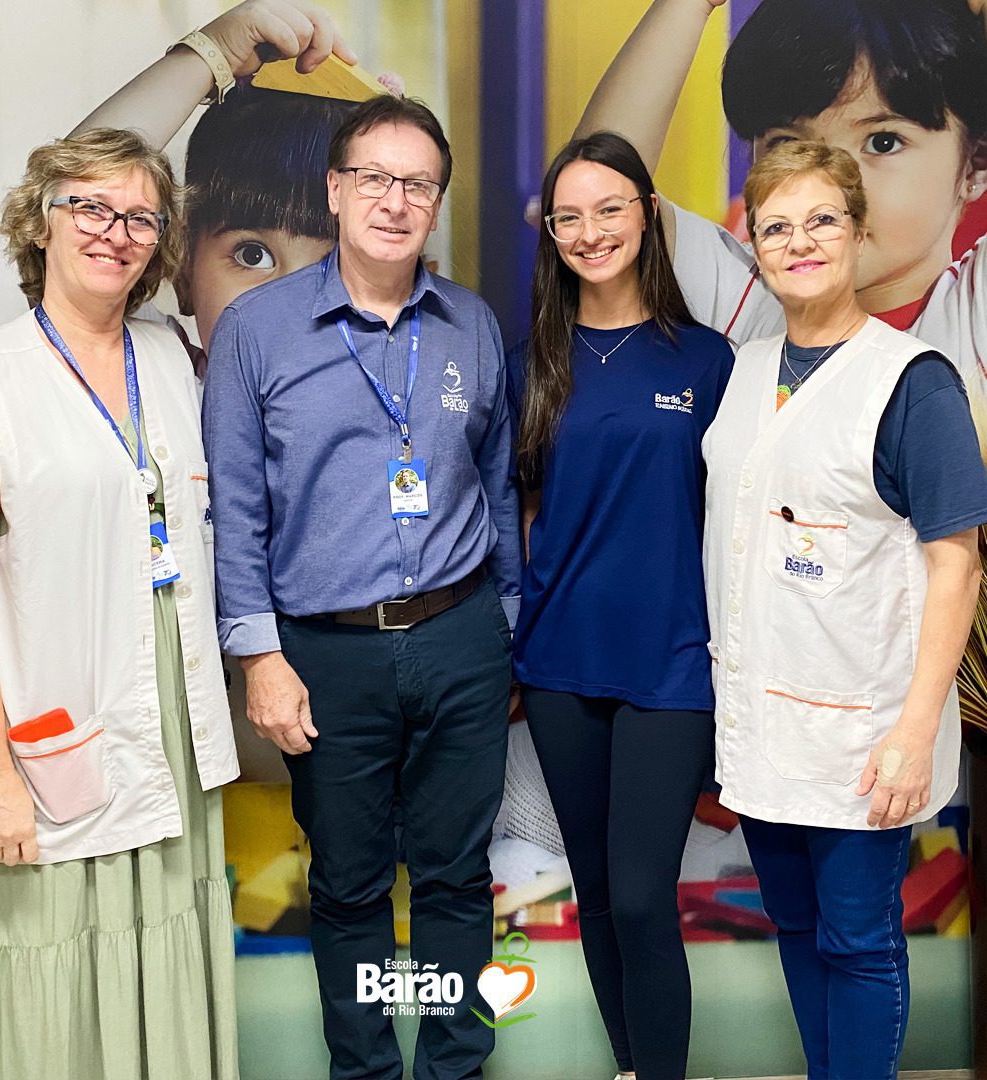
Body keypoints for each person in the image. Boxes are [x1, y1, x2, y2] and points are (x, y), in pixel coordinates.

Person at [202, 94, 520, 1079]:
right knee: (345, 885)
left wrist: (501, 626)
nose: (395, 200)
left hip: (459, 635)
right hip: (323, 653)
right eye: (374, 178)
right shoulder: (258, 332)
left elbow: (499, 487)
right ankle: (368, 1071)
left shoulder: (470, 323)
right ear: (337, 191)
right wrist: (259, 657)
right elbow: (238, 510)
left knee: (456, 878)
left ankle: (453, 1069)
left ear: (437, 200)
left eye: (416, 182)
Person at [0, 128, 239, 1080]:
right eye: (90, 207)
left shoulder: (174, 361)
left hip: (170, 714)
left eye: (141, 215)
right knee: (52, 961)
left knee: (164, 938)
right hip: (46, 723)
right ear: (41, 221)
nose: (116, 232)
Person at [702, 140, 987, 1079]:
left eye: (822, 219)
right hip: (763, 720)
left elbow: (957, 565)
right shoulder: (743, 371)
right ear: (757, 247)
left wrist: (914, 728)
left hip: (866, 731)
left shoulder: (913, 381)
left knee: (860, 940)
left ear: (859, 234)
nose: (800, 242)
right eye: (777, 227)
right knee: (794, 924)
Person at [508, 131, 734, 1080]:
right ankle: (633, 1065)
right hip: (560, 664)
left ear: (647, 212)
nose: (591, 231)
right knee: (597, 891)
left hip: (672, 663)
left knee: (643, 893)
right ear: (551, 232)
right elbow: (519, 513)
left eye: (611, 209)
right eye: (570, 216)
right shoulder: (533, 362)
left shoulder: (710, 361)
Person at [579, 0, 987, 403]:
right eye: (787, 144)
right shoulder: (742, 297)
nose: (827, 183)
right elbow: (595, 194)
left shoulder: (974, 316)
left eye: (882, 142)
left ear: (974, 165)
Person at [73, 0, 363, 359]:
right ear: (184, 274)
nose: (292, 308)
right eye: (253, 255)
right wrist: (210, 54)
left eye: (338, 268)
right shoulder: (162, 384)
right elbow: (75, 214)